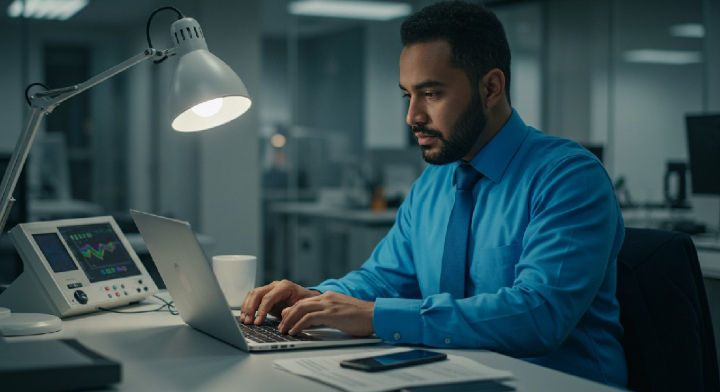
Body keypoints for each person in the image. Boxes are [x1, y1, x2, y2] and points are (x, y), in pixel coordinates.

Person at [242, 1, 626, 387]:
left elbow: (538, 315)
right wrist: (312, 299)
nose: (412, 116)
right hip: (448, 376)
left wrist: (376, 316)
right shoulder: (433, 184)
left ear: (491, 87)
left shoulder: (567, 177)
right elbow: (383, 279)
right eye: (408, 95)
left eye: (431, 93)